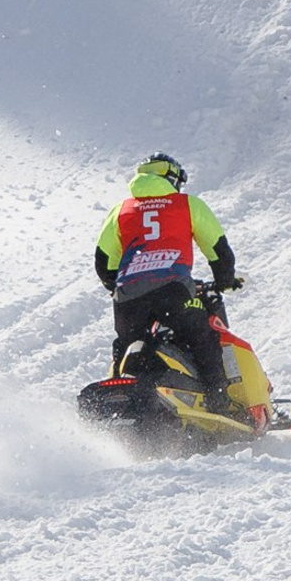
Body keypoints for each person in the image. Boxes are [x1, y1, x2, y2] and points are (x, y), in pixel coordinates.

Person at [96, 154, 240, 412]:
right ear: (172, 178)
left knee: (126, 343)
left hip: (128, 297)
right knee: (202, 337)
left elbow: (104, 261)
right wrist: (224, 279)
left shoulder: (121, 210)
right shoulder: (187, 205)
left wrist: (118, 286)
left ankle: (117, 398)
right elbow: (217, 248)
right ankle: (218, 400)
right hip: (173, 290)